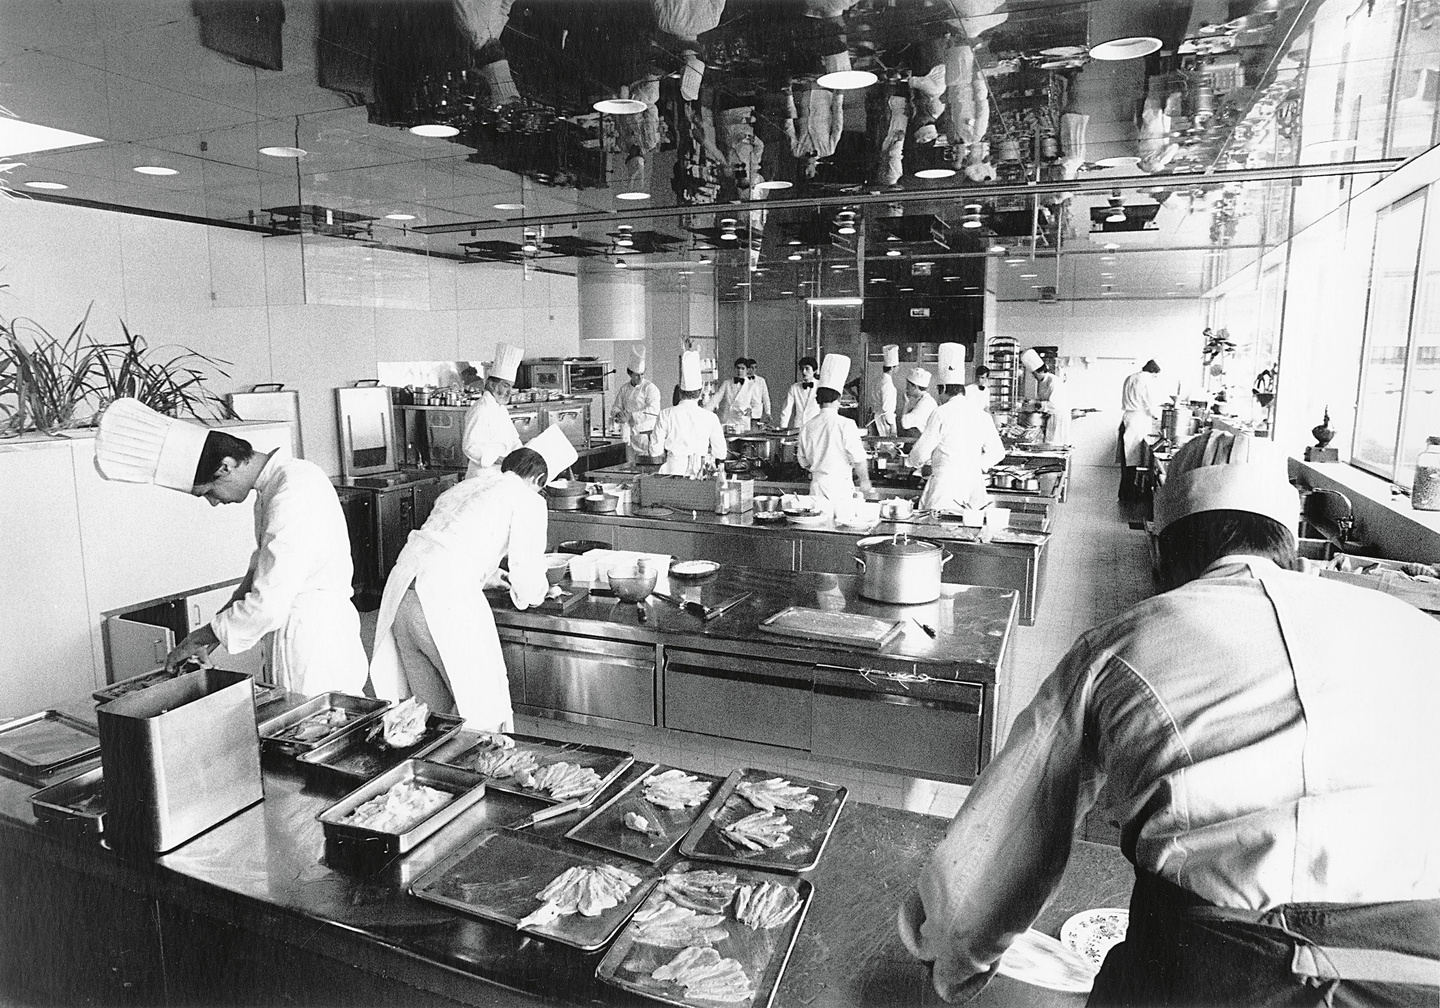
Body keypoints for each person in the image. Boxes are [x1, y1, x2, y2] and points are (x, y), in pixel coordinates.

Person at [899, 430, 1440, 1006]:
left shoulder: (1123, 644)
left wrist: (951, 960)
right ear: (1289, 540)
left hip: (1221, 975)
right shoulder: (1416, 632)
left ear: (1162, 550)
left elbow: (1007, 839)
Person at [93, 398, 367, 695]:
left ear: (226, 466)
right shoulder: (279, 484)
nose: (213, 502)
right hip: (302, 635)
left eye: (208, 492)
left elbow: (268, 604)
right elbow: (257, 578)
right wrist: (208, 637)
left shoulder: (292, 491)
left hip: (315, 646)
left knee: (320, 718)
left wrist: (200, 638)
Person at [369, 426, 578, 729]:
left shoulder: (465, 486)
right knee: (482, 712)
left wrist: (488, 574)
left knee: (431, 718)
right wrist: (538, 591)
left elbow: (445, 542)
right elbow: (527, 575)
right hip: (442, 602)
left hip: (401, 598)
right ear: (539, 479)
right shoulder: (527, 498)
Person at [906, 345, 1003, 512]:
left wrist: (911, 462)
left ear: (943, 389)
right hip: (973, 485)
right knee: (970, 525)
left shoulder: (941, 413)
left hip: (945, 488)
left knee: (940, 524)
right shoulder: (981, 415)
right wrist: (976, 465)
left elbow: (920, 453)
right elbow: (998, 452)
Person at [798, 353, 873, 507]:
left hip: (816, 489)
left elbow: (803, 462)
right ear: (838, 399)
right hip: (840, 490)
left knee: (818, 520)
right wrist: (865, 481)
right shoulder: (846, 424)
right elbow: (858, 459)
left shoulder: (806, 426)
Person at [653, 350, 729, 476]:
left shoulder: (665, 414)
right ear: (700, 393)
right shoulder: (710, 417)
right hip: (700, 472)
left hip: (672, 472)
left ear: (680, 392)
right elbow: (721, 453)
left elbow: (655, 451)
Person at [461, 341, 524, 478]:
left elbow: (514, 439)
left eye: (511, 387)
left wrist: (522, 456)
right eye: (505, 386)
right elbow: (470, 447)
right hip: (482, 476)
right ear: (491, 384)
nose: (509, 392)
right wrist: (499, 459)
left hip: (501, 473)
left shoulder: (501, 409)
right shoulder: (481, 410)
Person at [1118, 359, 1161, 502]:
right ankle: (1129, 494)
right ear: (1153, 372)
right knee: (1133, 459)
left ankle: (1125, 492)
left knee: (1128, 460)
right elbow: (1150, 403)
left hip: (1128, 418)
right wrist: (1158, 417)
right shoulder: (1146, 380)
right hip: (1138, 420)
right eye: (1155, 375)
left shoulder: (1130, 377)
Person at [612, 345, 661, 464]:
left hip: (646, 436)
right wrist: (619, 414)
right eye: (636, 375)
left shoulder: (650, 388)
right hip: (629, 435)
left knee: (647, 465)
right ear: (630, 374)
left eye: (642, 374)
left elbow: (653, 411)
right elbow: (616, 407)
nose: (640, 377)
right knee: (630, 465)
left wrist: (631, 416)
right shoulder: (624, 389)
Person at [1020, 347, 1071, 446]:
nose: (1034, 376)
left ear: (1041, 371)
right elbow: (1043, 399)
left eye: (1035, 374)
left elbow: (1054, 405)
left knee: (1056, 444)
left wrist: (1035, 403)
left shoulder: (1053, 381)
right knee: (1049, 443)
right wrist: (1033, 402)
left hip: (1058, 418)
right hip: (1050, 417)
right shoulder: (1042, 382)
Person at [706, 357, 761, 432]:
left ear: (747, 370)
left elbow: (757, 404)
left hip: (742, 421)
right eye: (738, 368)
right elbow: (716, 398)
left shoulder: (752, 385)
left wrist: (751, 412)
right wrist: (704, 411)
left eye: (742, 368)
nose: (739, 371)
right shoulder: (727, 383)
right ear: (734, 369)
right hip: (726, 419)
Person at [778, 356, 821, 428]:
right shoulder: (794, 387)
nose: (804, 372)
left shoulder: (821, 385)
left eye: (807, 368)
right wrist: (783, 428)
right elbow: (786, 409)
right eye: (802, 369)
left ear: (814, 370)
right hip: (799, 427)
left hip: (816, 426)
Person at [869, 344, 899, 435]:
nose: (898, 368)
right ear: (892, 368)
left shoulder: (878, 380)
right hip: (883, 420)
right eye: (897, 366)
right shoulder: (887, 384)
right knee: (886, 442)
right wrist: (892, 425)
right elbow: (887, 408)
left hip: (875, 417)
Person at [898, 366, 937, 437]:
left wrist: (906, 404)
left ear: (915, 387)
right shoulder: (925, 400)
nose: (906, 388)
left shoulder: (926, 403)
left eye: (908, 385)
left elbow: (905, 423)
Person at [744, 358, 773, 426]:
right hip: (744, 412)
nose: (754, 369)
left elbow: (765, 397)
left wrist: (768, 412)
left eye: (755, 367)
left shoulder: (761, 380)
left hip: (756, 413)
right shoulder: (742, 380)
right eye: (751, 367)